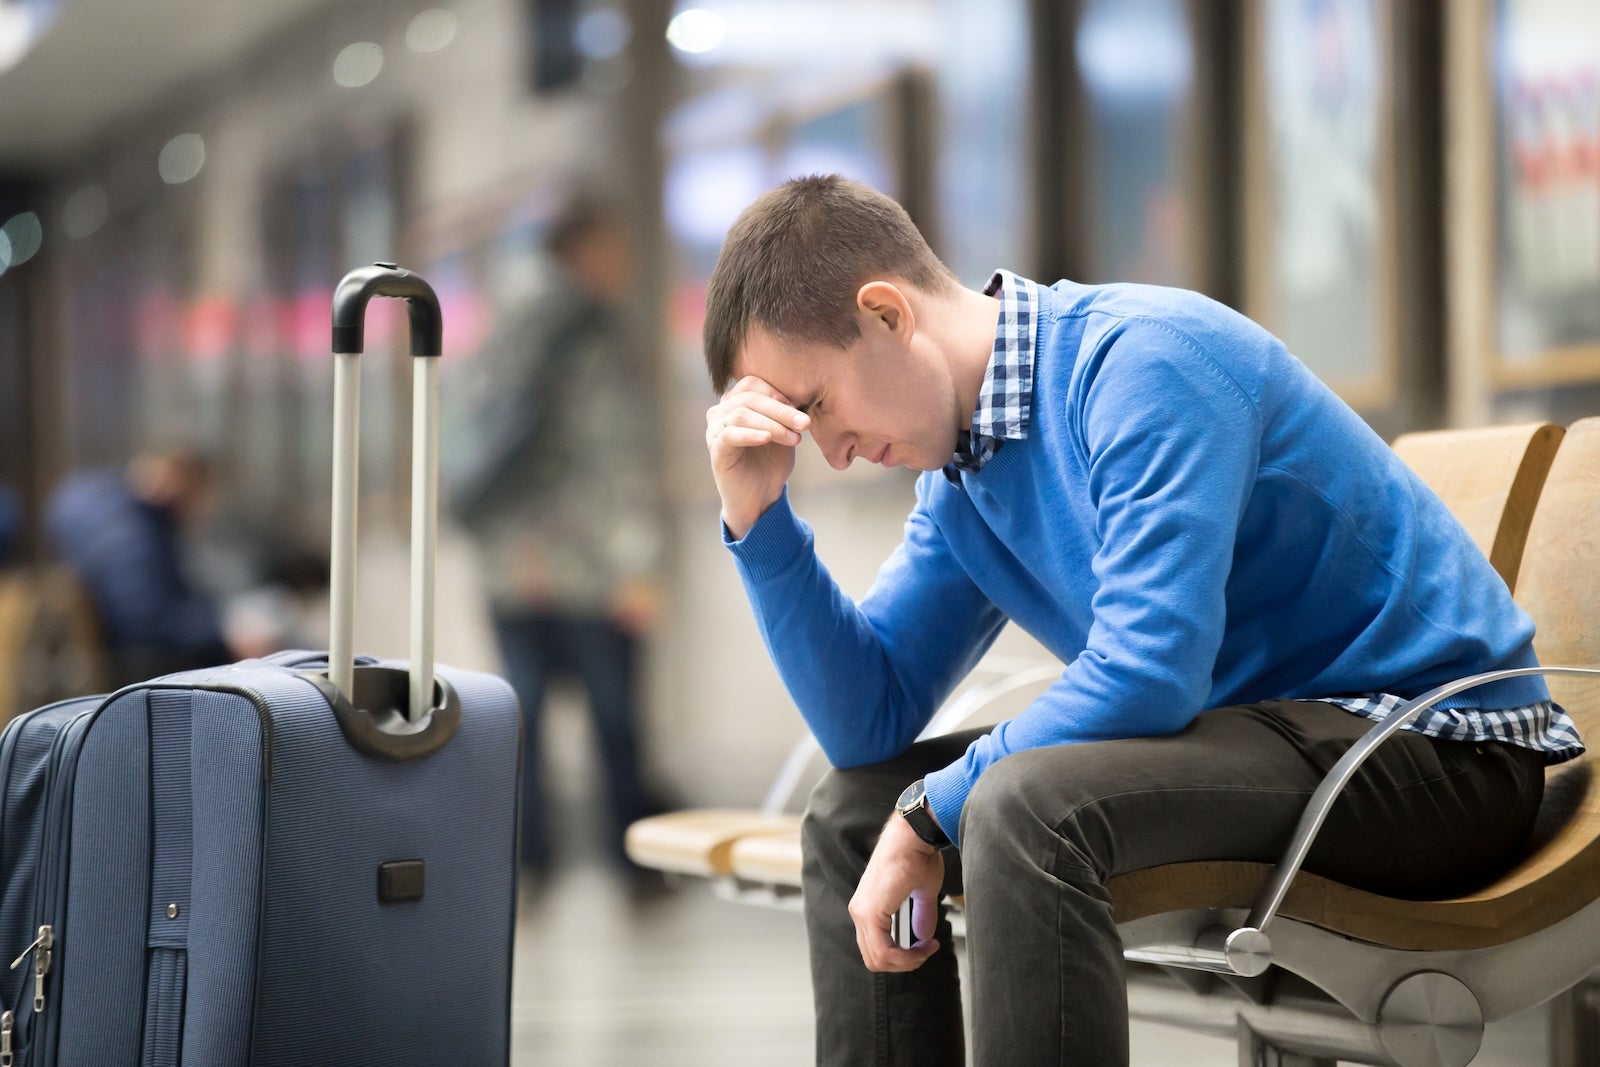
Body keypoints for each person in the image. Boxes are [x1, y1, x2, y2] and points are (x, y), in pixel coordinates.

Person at [700, 175, 1581, 1065]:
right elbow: (867, 725)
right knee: (855, 812)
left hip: (1433, 747)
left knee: (1020, 804)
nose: (833, 453)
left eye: (813, 405)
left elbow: (1149, 671)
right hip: (1271, 743)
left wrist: (934, 809)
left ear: (887, 314)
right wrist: (758, 523)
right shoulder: (963, 481)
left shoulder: (1142, 362)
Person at [447, 194, 666, 893]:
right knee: (614, 723)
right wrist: (640, 565)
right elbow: (618, 456)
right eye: (614, 252)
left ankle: (529, 863)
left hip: (512, 565)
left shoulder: (499, 320)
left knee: (524, 720)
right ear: (586, 251)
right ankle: (632, 863)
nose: (623, 266)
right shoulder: (592, 330)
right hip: (588, 568)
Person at [45, 449, 266, 686]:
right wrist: (221, 631)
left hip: (128, 661)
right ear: (178, 480)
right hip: (137, 675)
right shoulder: (130, 537)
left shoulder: (104, 507)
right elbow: (147, 623)